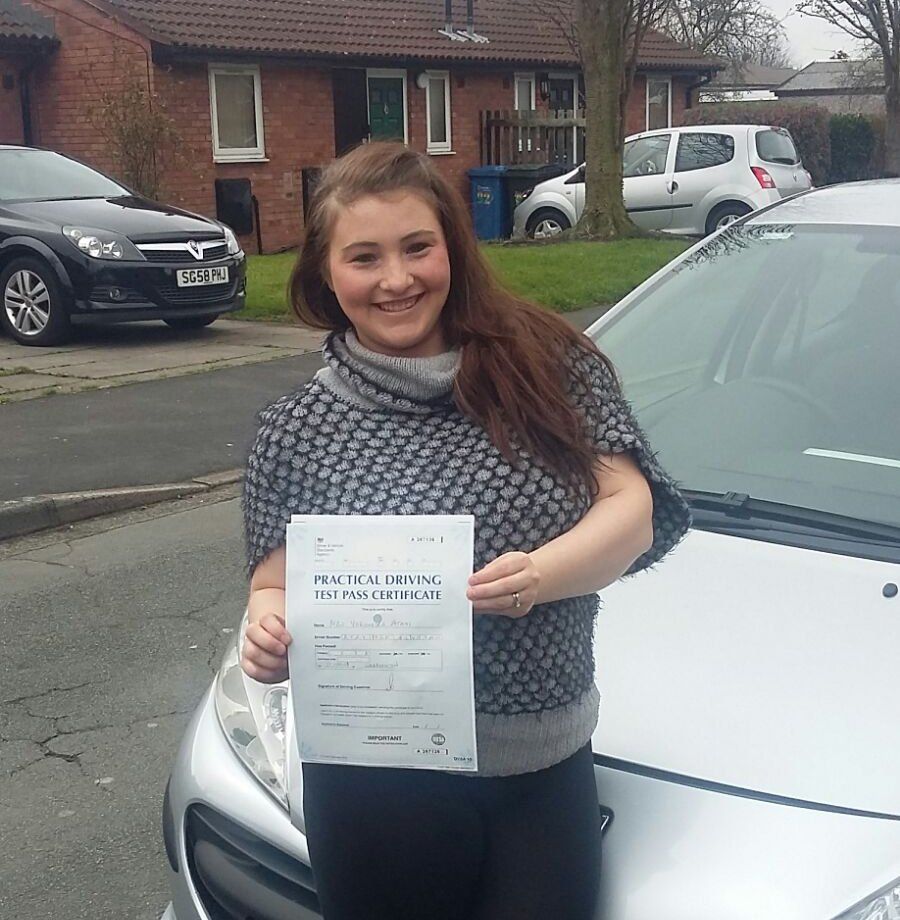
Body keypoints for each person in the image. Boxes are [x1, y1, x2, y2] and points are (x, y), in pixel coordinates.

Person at [240, 141, 691, 920]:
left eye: (418, 247)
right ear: (325, 273)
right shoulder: (295, 430)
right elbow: (275, 583)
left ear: (453, 246)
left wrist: (541, 576)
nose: (397, 279)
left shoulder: (550, 368)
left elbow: (633, 511)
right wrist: (267, 630)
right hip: (371, 785)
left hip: (537, 773)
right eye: (364, 257)